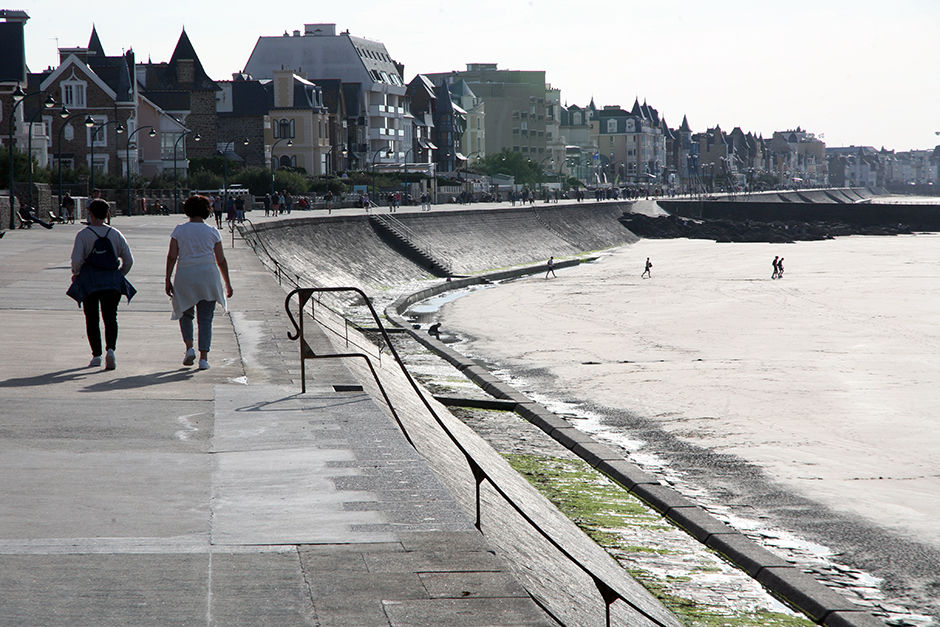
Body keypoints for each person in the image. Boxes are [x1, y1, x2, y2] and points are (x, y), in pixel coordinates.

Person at [165, 195, 234, 370]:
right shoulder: (212, 231)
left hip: (185, 276)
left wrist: (167, 279)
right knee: (205, 319)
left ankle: (189, 348)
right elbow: (221, 260)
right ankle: (204, 358)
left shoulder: (179, 230)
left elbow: (172, 256)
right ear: (207, 211)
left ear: (187, 210)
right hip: (208, 277)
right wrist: (227, 283)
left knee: (185, 315)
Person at [67, 199, 135, 369]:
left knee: (92, 318)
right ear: (107, 214)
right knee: (111, 318)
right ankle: (110, 350)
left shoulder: (83, 234)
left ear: (90, 214)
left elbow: (76, 260)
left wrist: (76, 274)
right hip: (111, 282)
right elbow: (128, 260)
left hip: (89, 281)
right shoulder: (116, 234)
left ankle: (96, 355)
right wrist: (119, 274)